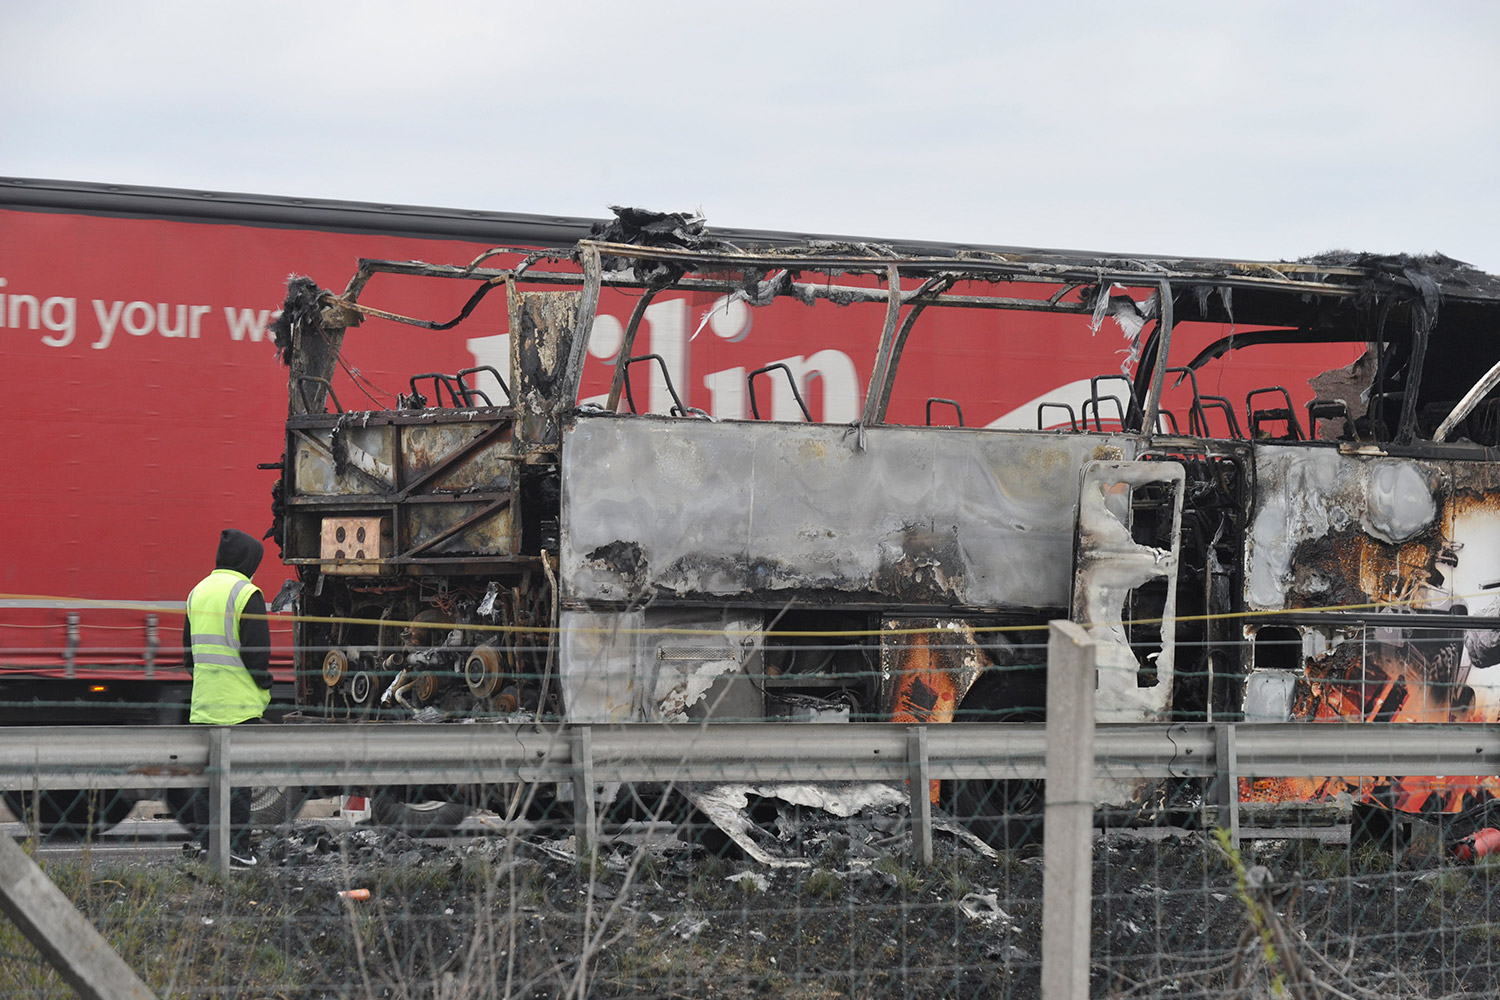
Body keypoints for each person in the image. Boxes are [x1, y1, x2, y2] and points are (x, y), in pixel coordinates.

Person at [181, 528, 272, 868]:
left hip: (204, 704)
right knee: (238, 784)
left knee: (207, 783)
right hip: (239, 706)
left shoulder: (197, 592)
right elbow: (257, 655)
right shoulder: (246, 593)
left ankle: (209, 847)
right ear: (248, 561)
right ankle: (236, 850)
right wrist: (265, 684)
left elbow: (189, 656)